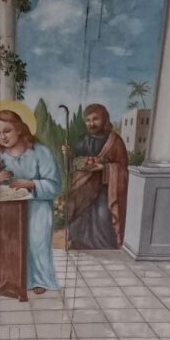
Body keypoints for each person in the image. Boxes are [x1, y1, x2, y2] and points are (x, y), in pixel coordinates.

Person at [0, 105, 58, 295]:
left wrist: (31, 183)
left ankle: (39, 280)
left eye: (7, 130)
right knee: (11, 243)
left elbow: (55, 186)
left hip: (37, 208)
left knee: (37, 243)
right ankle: (14, 279)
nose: (3, 136)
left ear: (19, 128)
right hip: (9, 210)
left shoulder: (41, 152)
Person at [62, 103, 128, 250]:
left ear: (104, 119)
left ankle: (106, 250)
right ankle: (78, 245)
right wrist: (67, 156)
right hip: (83, 188)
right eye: (88, 120)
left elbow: (123, 169)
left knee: (103, 216)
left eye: (95, 119)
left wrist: (105, 168)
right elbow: (72, 165)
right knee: (80, 217)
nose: (91, 123)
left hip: (106, 190)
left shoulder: (115, 141)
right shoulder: (81, 140)